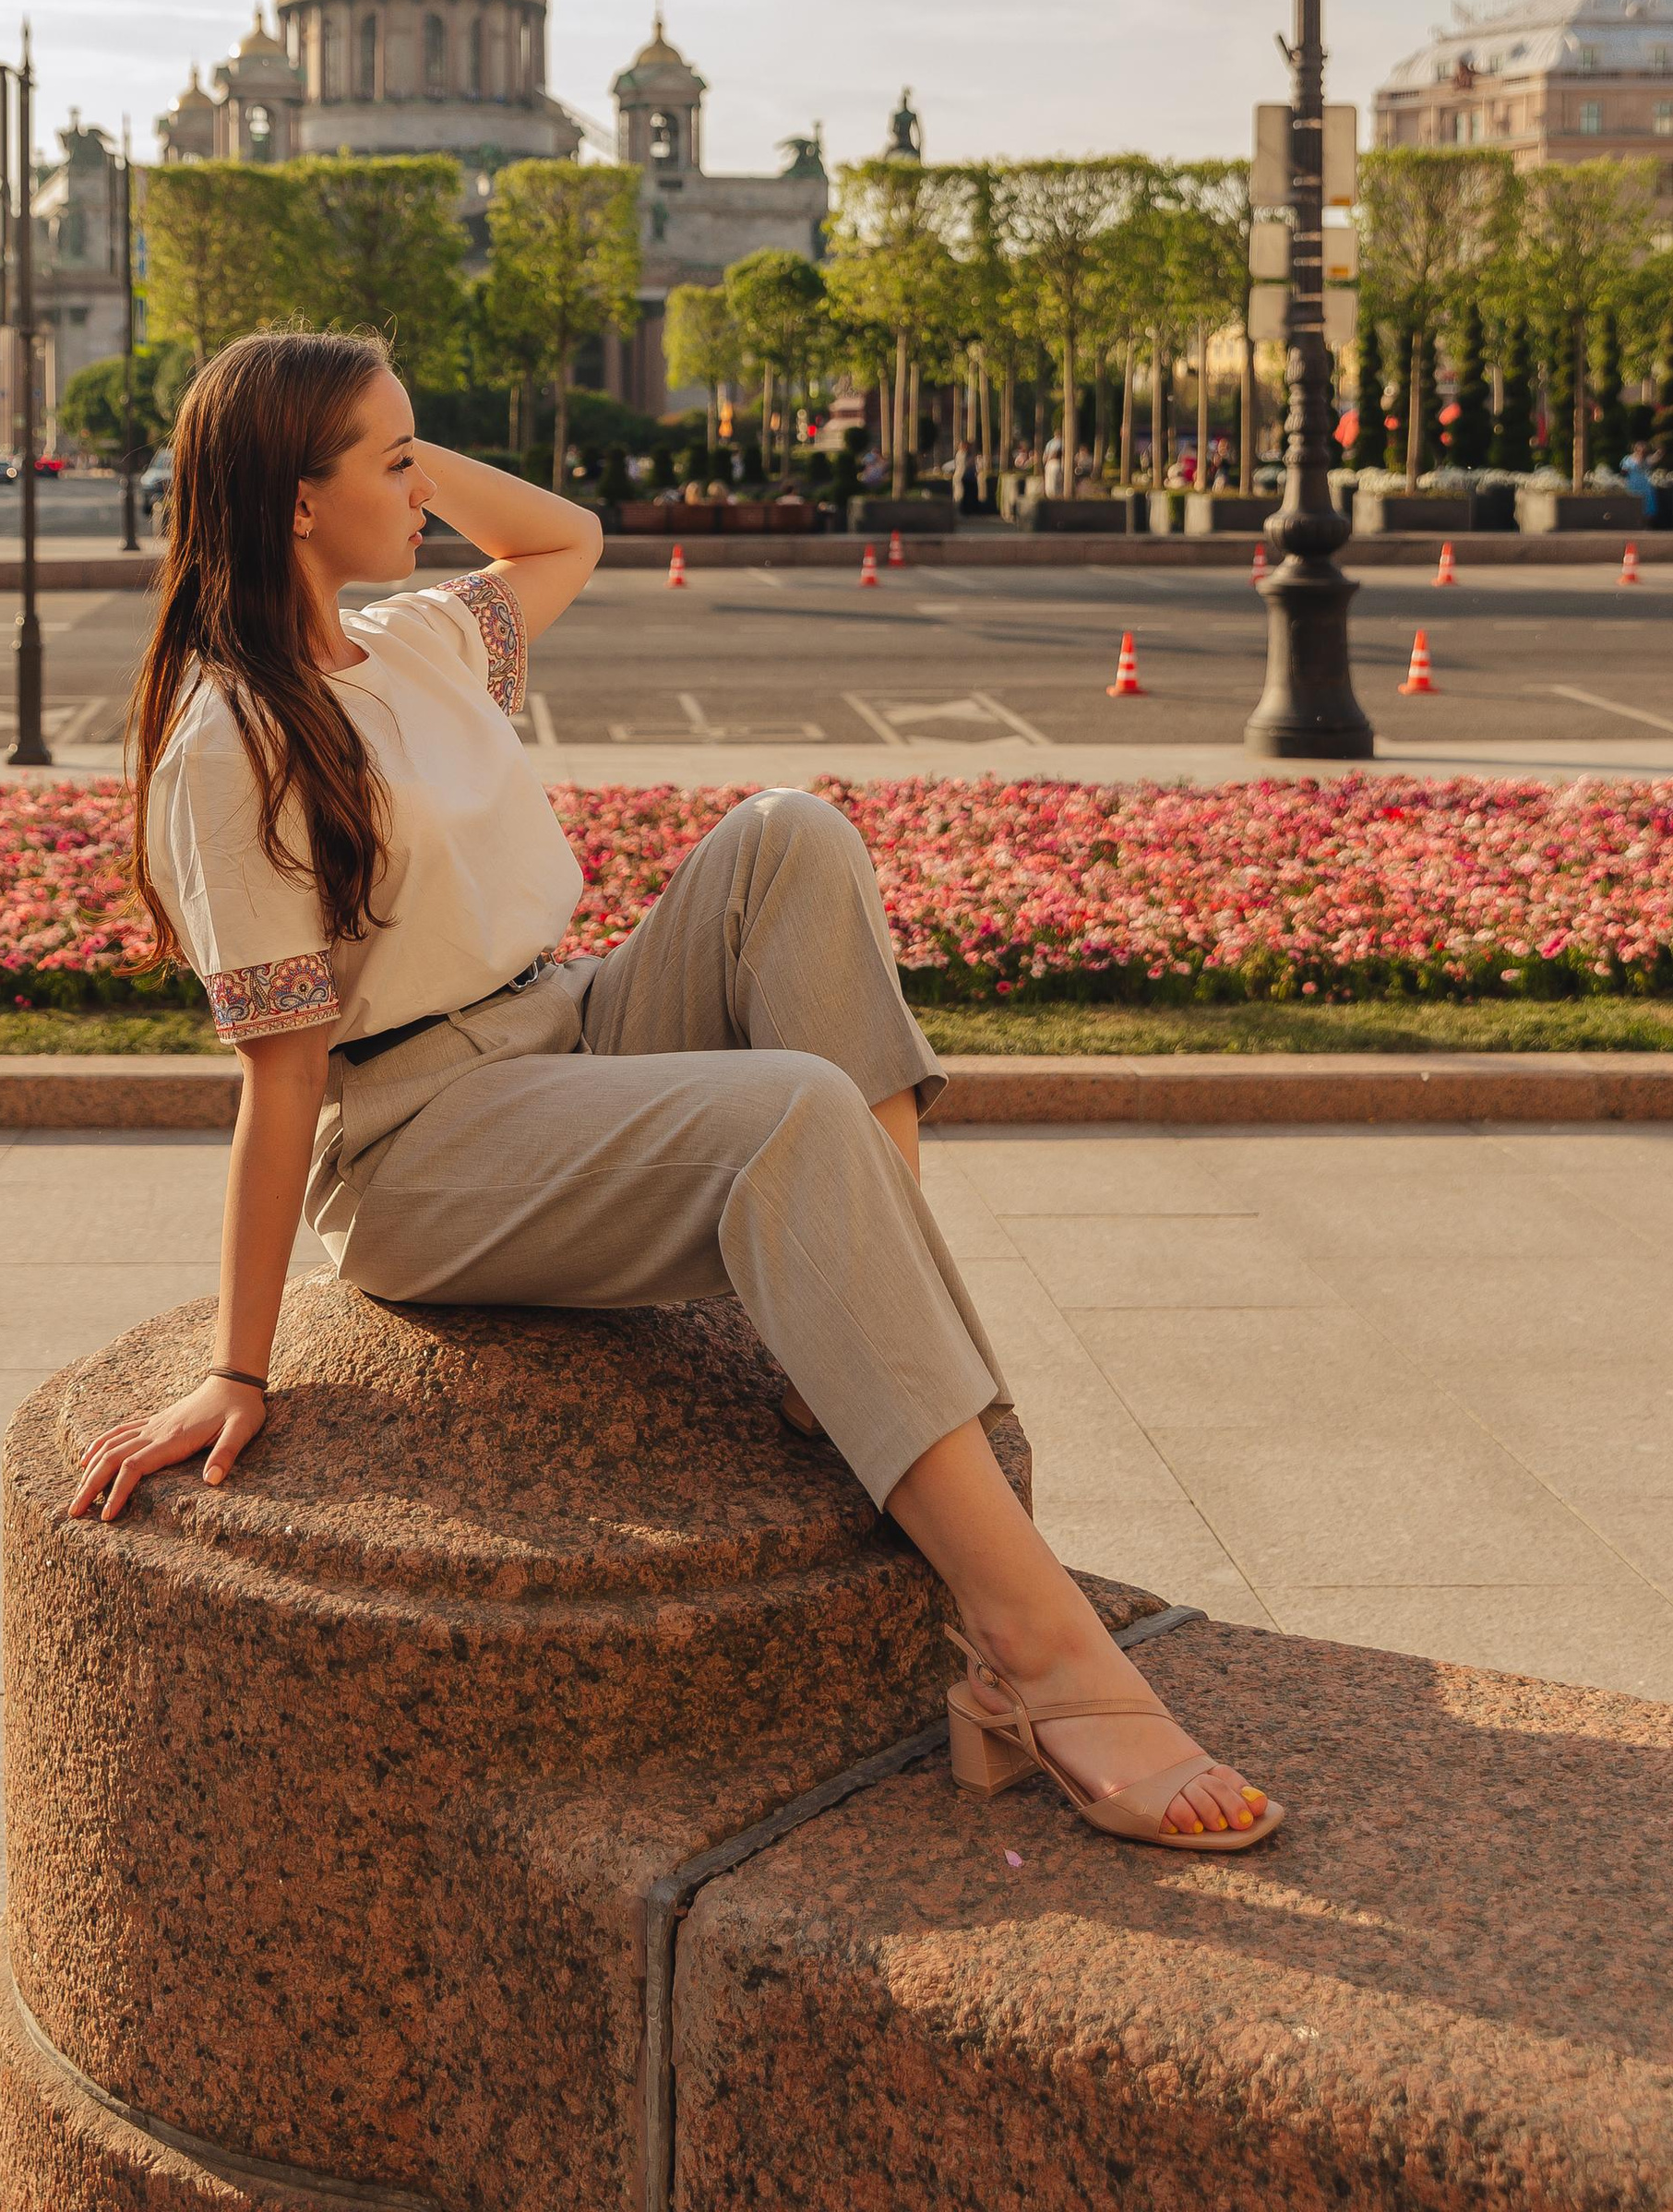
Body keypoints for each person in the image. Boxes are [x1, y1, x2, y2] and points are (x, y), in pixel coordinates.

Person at [69, 331, 1278, 1855]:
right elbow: (286, 1077)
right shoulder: (230, 740)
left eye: (417, 451)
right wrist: (238, 1373)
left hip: (565, 1029)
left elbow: (567, 534)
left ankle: (850, 1322)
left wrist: (392, 441)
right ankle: (1032, 1650)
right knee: (789, 1107)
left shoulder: (420, 642)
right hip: (422, 1145)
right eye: (392, 463)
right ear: (297, 503)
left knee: (790, 837)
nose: (424, 492)